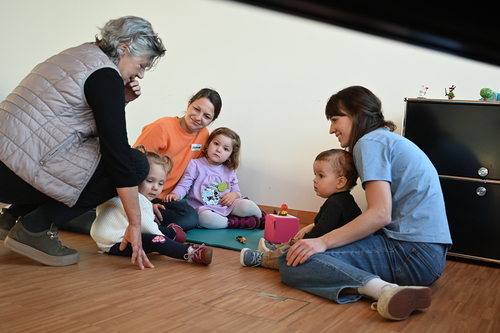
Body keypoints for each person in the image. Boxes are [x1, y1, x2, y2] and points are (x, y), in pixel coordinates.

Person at [0, 16, 166, 269]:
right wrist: (134, 222)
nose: (141, 74)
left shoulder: (77, 55)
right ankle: (34, 228)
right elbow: (117, 155)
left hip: (9, 162)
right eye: (141, 64)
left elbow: (67, 125)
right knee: (135, 163)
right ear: (124, 47)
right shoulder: (105, 75)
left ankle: (12, 217)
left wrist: (120, 100)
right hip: (14, 172)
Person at [278, 86, 452, 321]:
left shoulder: (369, 142)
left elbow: (380, 214)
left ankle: (385, 291)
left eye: (335, 119)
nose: (331, 129)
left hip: (412, 255)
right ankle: (383, 287)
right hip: (428, 256)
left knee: (292, 260)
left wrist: (322, 242)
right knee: (307, 250)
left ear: (357, 115)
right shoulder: (386, 140)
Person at [240, 149, 361, 268]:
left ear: (340, 182)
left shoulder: (336, 203)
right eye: (315, 174)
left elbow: (321, 231)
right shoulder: (343, 200)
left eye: (321, 176)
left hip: (335, 249)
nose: (315, 179)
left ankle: (263, 259)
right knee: (298, 243)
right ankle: (277, 248)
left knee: (296, 252)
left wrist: (303, 241)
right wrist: (311, 226)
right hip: (336, 244)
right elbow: (329, 224)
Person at [90, 146, 212, 265]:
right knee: (157, 240)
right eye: (149, 181)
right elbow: (149, 229)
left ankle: (172, 232)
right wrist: (167, 242)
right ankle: (190, 252)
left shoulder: (118, 192)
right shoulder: (138, 200)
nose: (155, 187)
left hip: (105, 241)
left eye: (160, 183)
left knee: (154, 230)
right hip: (118, 243)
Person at [133, 88, 222, 231]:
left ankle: (145, 222)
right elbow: (132, 166)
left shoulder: (204, 135)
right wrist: (144, 203)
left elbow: (198, 171)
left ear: (213, 120)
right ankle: (143, 221)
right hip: (140, 195)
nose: (198, 118)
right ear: (188, 104)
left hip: (166, 199)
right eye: (196, 109)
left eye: (206, 116)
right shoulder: (161, 127)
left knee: (190, 217)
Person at [165, 127, 265, 229]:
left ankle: (262, 219)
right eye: (216, 144)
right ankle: (234, 223)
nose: (218, 150)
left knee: (247, 205)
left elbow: (237, 192)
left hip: (227, 207)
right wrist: (176, 194)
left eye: (225, 149)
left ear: (230, 155)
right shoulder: (195, 164)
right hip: (204, 208)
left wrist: (233, 195)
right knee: (205, 218)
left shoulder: (229, 170)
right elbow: (184, 185)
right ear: (208, 144)